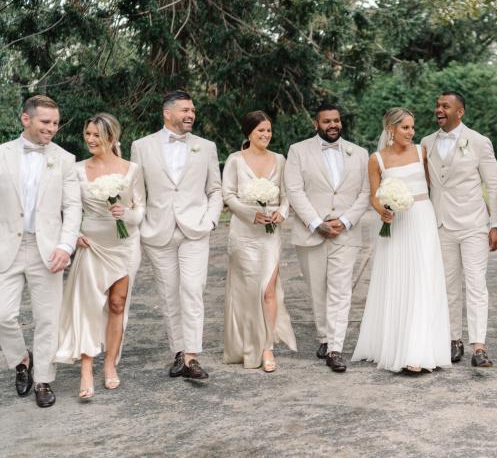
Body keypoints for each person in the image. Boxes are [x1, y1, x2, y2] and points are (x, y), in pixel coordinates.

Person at [130, 90, 223, 381]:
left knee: (192, 289)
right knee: (169, 295)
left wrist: (210, 220)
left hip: (195, 229)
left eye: (192, 110)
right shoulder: (141, 147)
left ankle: (193, 356)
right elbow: (137, 192)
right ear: (167, 113)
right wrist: (141, 224)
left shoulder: (206, 147)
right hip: (158, 232)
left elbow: (215, 189)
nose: (191, 115)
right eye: (184, 110)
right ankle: (179, 353)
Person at [352, 108, 451, 373]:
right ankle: (396, 345)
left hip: (422, 219)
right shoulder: (377, 160)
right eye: (406, 128)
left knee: (422, 281)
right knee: (397, 280)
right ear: (391, 129)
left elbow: (435, 186)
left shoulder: (422, 152)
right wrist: (382, 209)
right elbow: (374, 195)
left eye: (413, 127)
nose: (411, 132)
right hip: (395, 224)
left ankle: (418, 351)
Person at [55, 113, 145, 399]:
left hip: (124, 245)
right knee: (88, 306)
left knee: (117, 304)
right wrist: (71, 235)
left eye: (97, 135)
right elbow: (65, 207)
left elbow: (140, 210)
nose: (91, 140)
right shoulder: (77, 169)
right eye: (88, 134)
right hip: (91, 244)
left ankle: (109, 365)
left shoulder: (132, 169)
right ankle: (85, 369)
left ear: (111, 137)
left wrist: (126, 214)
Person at [0, 95, 81, 407]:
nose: (52, 128)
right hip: (6, 245)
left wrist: (65, 245)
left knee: (47, 317)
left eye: (55, 123)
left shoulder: (65, 159)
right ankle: (22, 358)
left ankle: (43, 379)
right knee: (3, 314)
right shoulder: (3, 154)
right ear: (26, 119)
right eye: (45, 122)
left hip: (47, 249)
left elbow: (72, 208)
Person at [284, 103, 370, 373]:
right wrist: (316, 223)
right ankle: (324, 337)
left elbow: (366, 193)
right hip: (312, 232)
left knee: (341, 291)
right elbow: (295, 191)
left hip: (346, 233)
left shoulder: (359, 153)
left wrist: (344, 221)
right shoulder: (298, 151)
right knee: (317, 289)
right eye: (326, 121)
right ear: (316, 124)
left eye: (336, 121)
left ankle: (335, 347)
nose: (332, 125)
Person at [420, 91, 497, 367]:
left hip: (473, 225)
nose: (439, 109)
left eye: (445, 106)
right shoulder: (426, 143)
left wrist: (496, 224)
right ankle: (453, 340)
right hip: (440, 225)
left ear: (460, 111)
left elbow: (494, 185)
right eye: (437, 105)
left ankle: (478, 346)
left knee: (476, 285)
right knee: (448, 286)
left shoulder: (479, 142)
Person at [222, 111, 296, 372]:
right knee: (247, 292)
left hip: (270, 234)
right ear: (249, 133)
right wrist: (251, 214)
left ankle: (267, 348)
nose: (266, 135)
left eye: (268, 130)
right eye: (260, 131)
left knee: (268, 289)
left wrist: (281, 212)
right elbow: (228, 195)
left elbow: (288, 195)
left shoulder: (280, 159)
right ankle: (247, 343)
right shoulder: (235, 160)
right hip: (243, 233)